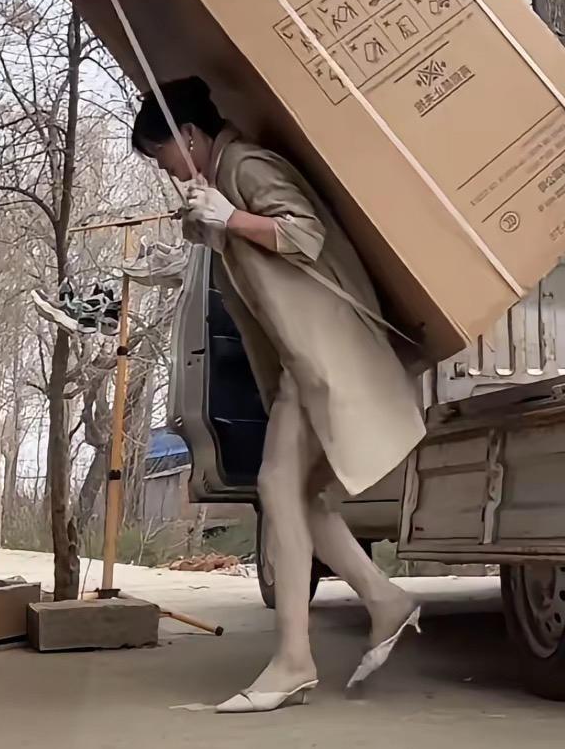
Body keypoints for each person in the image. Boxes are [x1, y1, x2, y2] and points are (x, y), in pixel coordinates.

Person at [132, 77, 426, 713]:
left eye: (163, 155)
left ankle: (295, 658)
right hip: (303, 361)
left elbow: (303, 235)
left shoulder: (246, 164)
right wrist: (209, 223)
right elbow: (241, 249)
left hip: (326, 353)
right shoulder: (222, 177)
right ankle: (385, 600)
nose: (165, 169)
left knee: (277, 486)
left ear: (190, 135)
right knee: (302, 497)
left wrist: (231, 217)